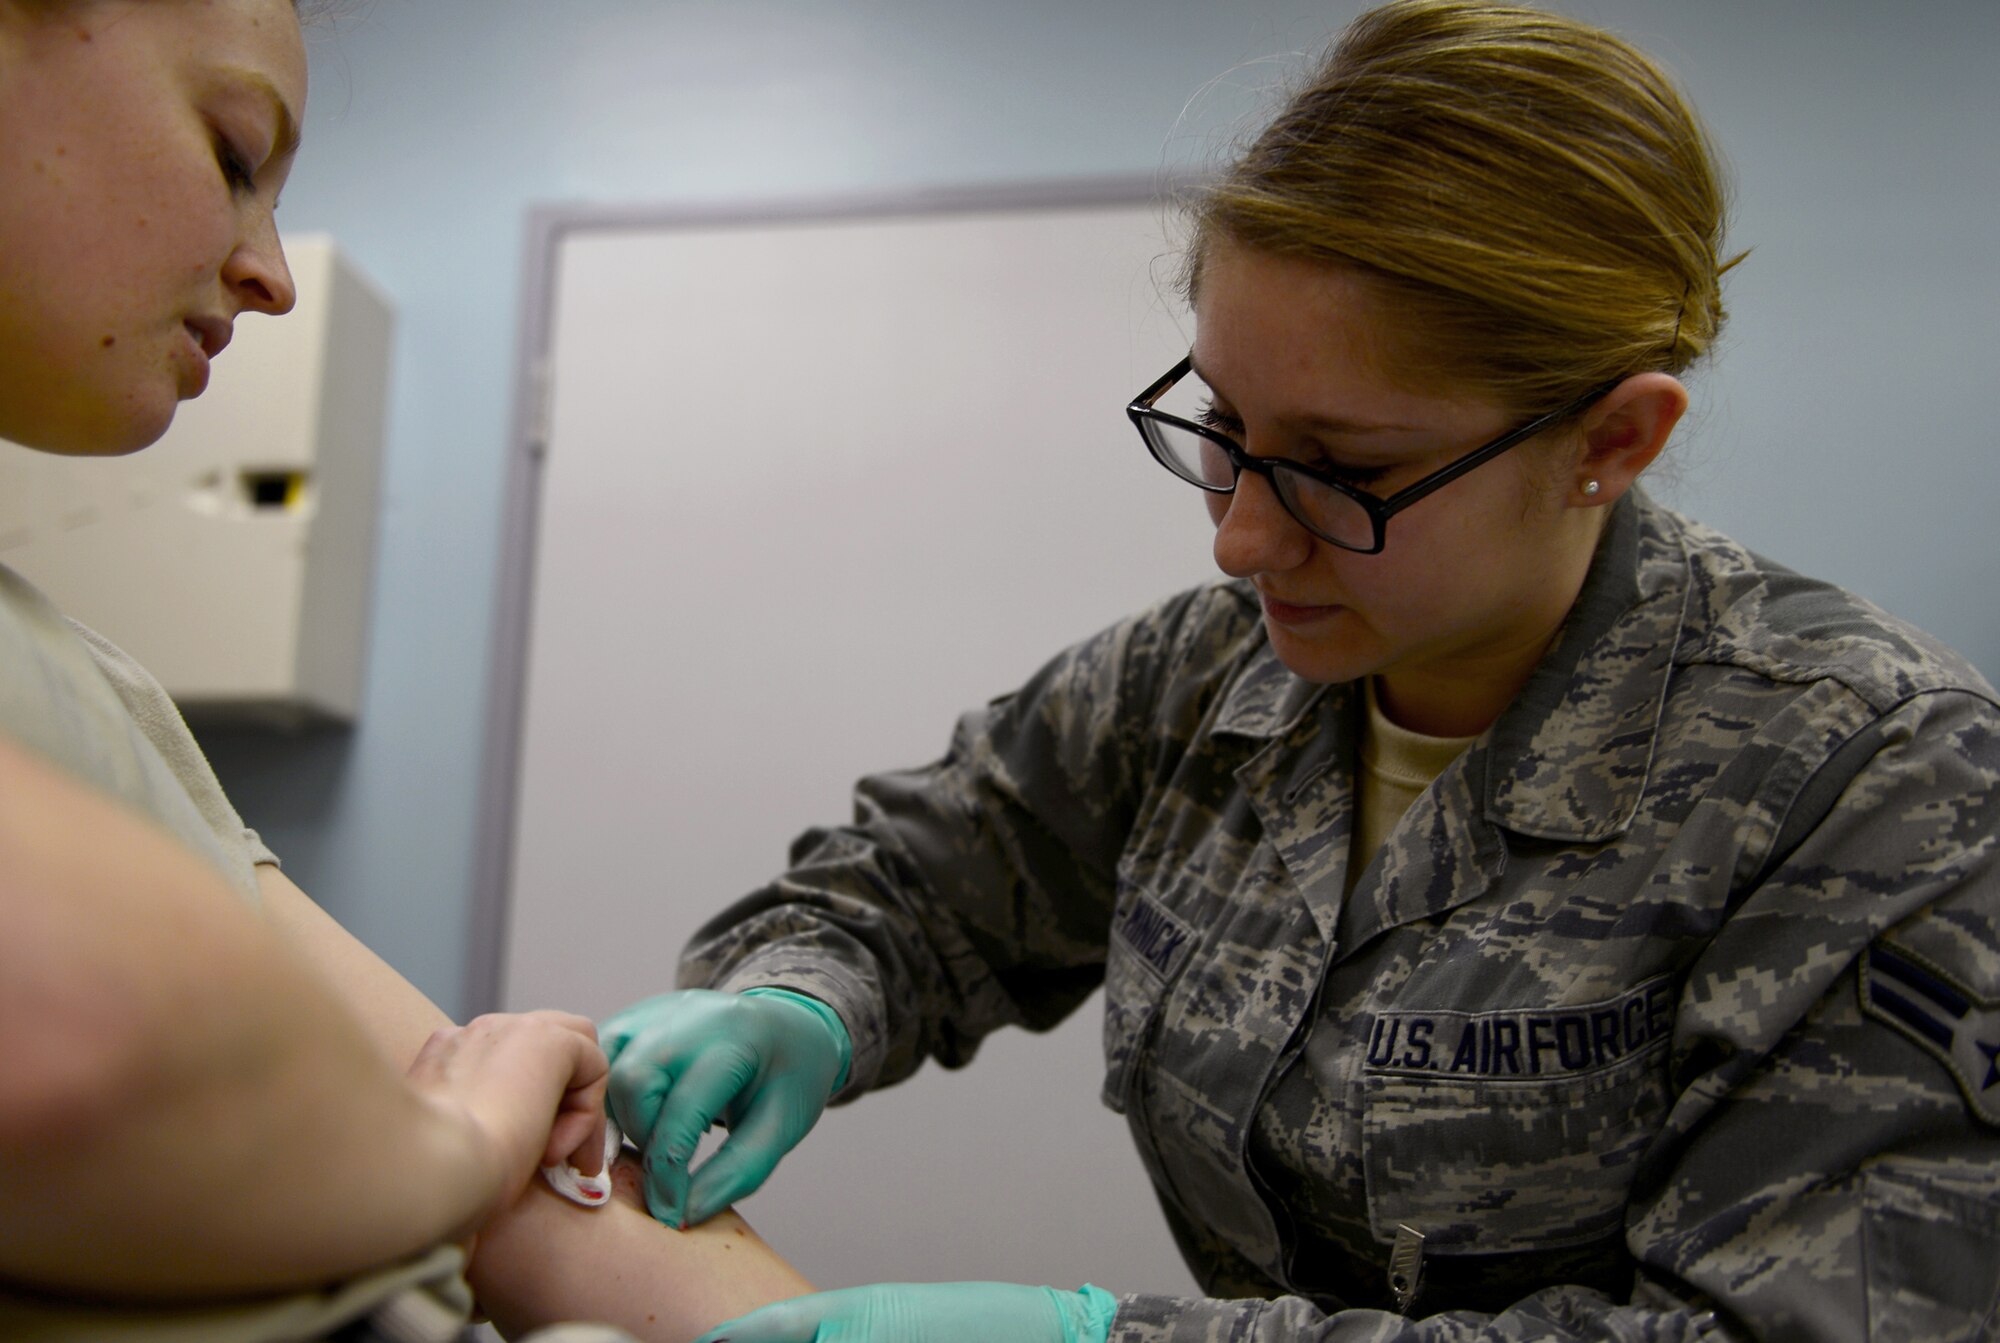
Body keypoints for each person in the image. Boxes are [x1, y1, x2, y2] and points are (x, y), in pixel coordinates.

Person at [598, 2, 2000, 1340]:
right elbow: (922, 882)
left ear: (1613, 441)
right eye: (1224, 422)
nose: (1243, 538)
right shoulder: (1207, 679)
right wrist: (790, 1000)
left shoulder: (1878, 782)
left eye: (1346, 470)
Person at [0, 2, 815, 1339]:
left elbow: (550, 1213)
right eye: (232, 151)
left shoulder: (82, 678)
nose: (272, 273)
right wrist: (458, 1141)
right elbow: (68, 1043)